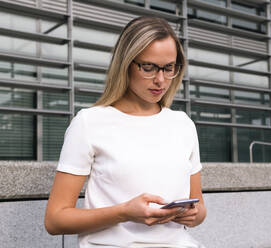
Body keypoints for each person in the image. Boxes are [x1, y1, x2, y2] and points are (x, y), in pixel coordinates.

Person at [44, 16, 206, 248]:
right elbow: (55, 219)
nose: (160, 80)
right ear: (125, 63)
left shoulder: (183, 125)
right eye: (148, 67)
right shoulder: (89, 123)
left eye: (169, 68)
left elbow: (200, 211)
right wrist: (124, 212)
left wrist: (192, 214)